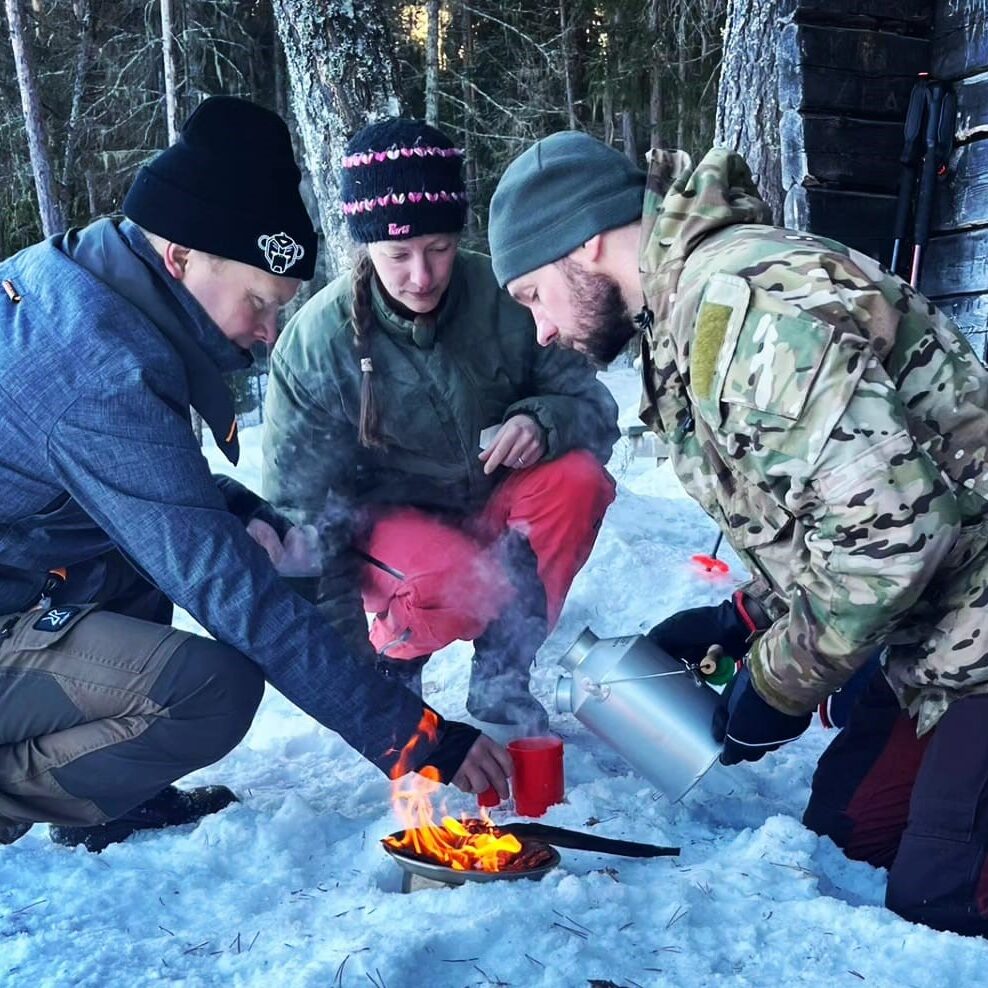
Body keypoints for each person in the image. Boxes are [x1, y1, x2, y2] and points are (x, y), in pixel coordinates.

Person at [486, 132, 988, 936]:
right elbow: (834, 509)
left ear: (583, 238)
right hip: (937, 619)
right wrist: (746, 618)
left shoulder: (747, 305)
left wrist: (783, 683)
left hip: (972, 610)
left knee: (943, 901)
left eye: (532, 294)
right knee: (850, 838)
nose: (540, 329)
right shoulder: (688, 310)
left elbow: (892, 540)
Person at [0, 97, 511, 854]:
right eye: (261, 304)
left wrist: (251, 514)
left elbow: (149, 485)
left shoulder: (87, 281)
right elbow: (226, 589)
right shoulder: (96, 370)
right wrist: (415, 738)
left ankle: (114, 797)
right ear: (181, 257)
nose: (269, 334)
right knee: (211, 690)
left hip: (26, 570)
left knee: (157, 537)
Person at [261, 119, 619, 743]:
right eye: (397, 255)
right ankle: (397, 661)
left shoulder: (511, 294)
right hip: (390, 536)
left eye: (439, 248)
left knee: (579, 480)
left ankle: (503, 674)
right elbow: (301, 525)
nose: (421, 276)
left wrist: (544, 420)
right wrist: (364, 702)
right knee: (445, 580)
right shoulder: (316, 346)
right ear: (365, 250)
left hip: (493, 504)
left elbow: (594, 407)